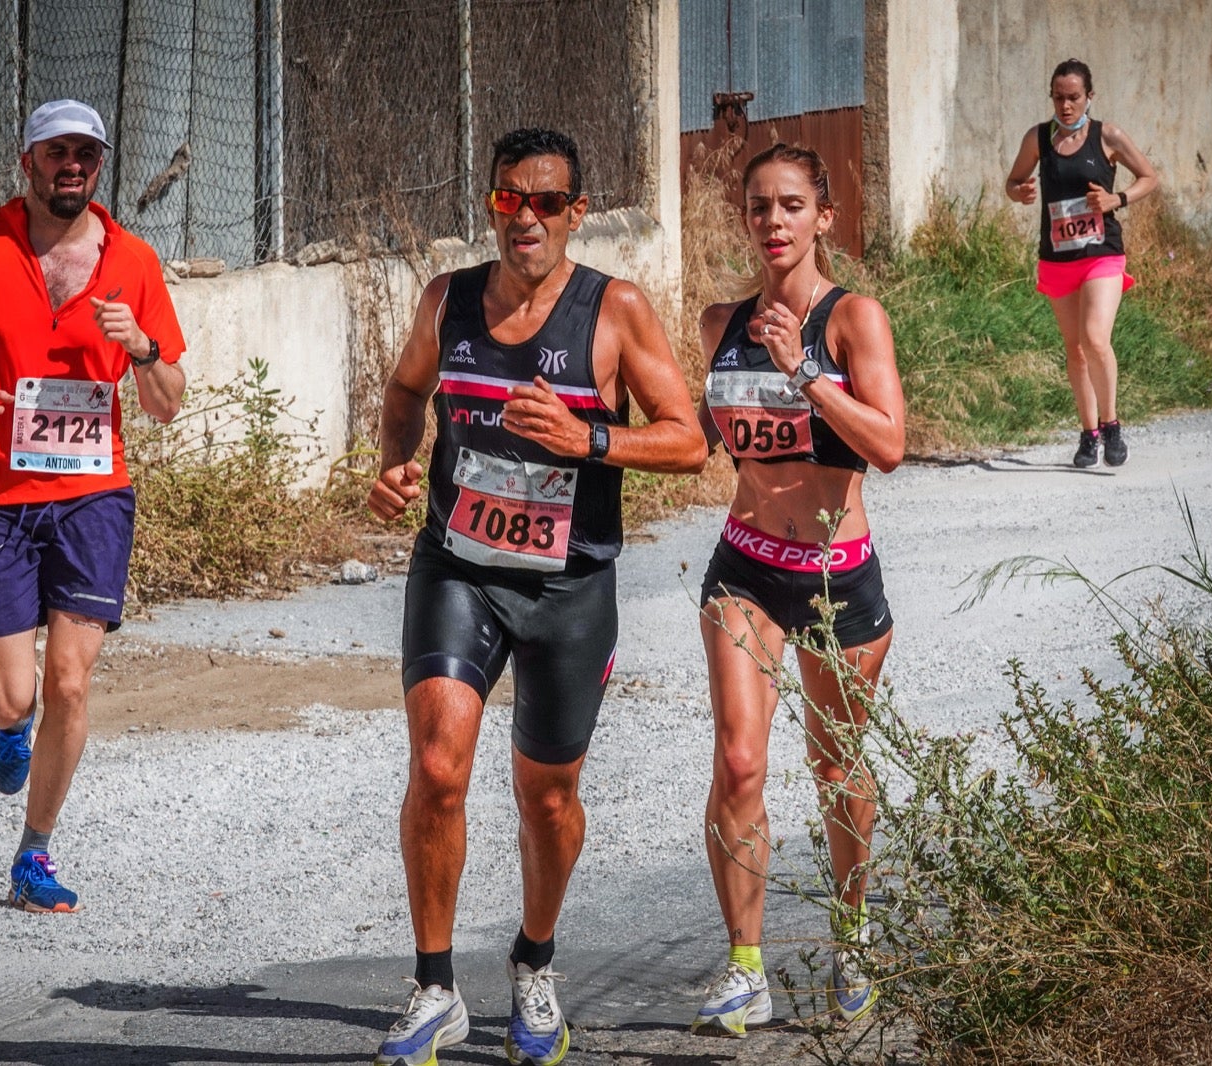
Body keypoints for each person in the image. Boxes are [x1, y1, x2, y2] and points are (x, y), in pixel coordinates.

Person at [366, 127, 704, 1066]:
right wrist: (393, 464)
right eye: (511, 198)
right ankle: (434, 987)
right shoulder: (449, 300)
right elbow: (404, 391)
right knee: (438, 769)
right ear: (490, 205)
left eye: (548, 202)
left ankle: (533, 961)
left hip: (568, 582)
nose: (528, 217)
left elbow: (686, 439)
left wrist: (589, 441)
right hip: (459, 566)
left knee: (547, 799)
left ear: (576, 212)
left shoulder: (617, 310)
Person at [0, 99, 186, 913]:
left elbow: (165, 401)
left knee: (71, 683)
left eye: (87, 153)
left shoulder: (134, 260)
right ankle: (7, 727)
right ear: (27, 162)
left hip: (94, 494)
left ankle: (34, 853)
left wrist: (145, 348)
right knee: (10, 695)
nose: (74, 166)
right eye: (58, 151)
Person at [690, 143, 904, 1035]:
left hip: (834, 578)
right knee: (739, 761)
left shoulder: (853, 319)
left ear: (824, 216)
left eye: (789, 206)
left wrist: (807, 373)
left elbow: (889, 445)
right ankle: (745, 967)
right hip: (744, 568)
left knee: (835, 764)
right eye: (756, 208)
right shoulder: (717, 323)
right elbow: (691, 439)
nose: (772, 223)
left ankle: (851, 939)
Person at [1005, 57, 1159, 469]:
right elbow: (1013, 180)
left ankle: (1111, 426)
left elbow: (1149, 177)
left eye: (1074, 97)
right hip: (1057, 257)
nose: (1066, 105)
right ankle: (1088, 434)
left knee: (1094, 338)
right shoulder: (1038, 138)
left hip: (1102, 252)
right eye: (1058, 97)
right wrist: (1018, 191)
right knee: (1074, 349)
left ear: (1089, 96)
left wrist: (1116, 199)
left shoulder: (1107, 135)